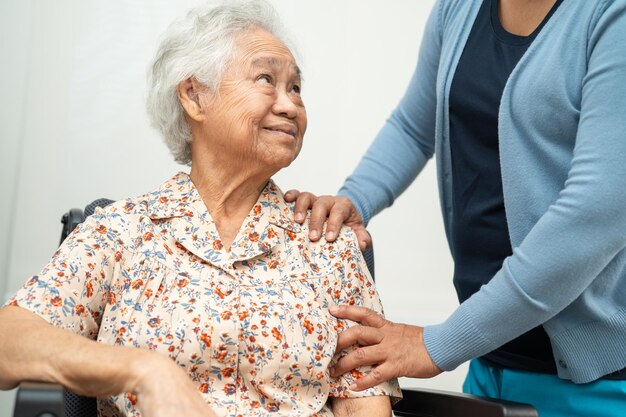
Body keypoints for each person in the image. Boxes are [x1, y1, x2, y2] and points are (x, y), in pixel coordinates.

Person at [0, 2, 401, 416]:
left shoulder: (326, 242)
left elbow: (364, 404)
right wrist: (145, 371)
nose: (290, 106)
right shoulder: (121, 233)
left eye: (296, 88)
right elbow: (8, 341)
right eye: (266, 79)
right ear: (194, 96)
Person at [285, 0, 626, 416]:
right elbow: (413, 126)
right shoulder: (459, 8)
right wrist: (354, 200)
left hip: (600, 385)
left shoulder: (611, 16)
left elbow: (591, 218)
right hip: (491, 363)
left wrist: (439, 344)